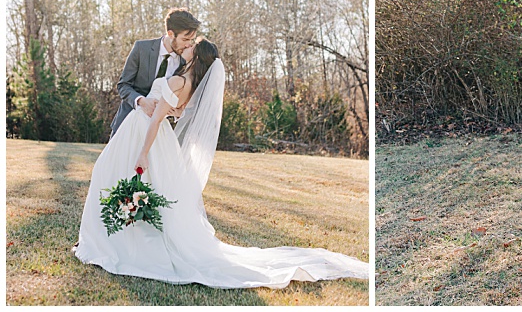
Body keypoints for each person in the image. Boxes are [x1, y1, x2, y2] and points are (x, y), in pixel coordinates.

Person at [75, 39, 369, 288]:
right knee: (133, 183)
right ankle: (111, 238)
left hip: (145, 135)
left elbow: (157, 118)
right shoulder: (190, 84)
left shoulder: (179, 79)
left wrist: (142, 152)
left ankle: (107, 243)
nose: (187, 46)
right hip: (156, 137)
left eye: (192, 45)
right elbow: (175, 112)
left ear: (196, 56)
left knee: (109, 174)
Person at [110, 9, 199, 134]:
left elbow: (190, 100)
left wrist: (179, 112)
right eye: (185, 39)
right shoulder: (141, 49)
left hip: (159, 132)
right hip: (126, 125)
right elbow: (123, 85)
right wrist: (142, 101)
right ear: (171, 34)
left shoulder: (186, 62)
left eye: (192, 40)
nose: (189, 45)